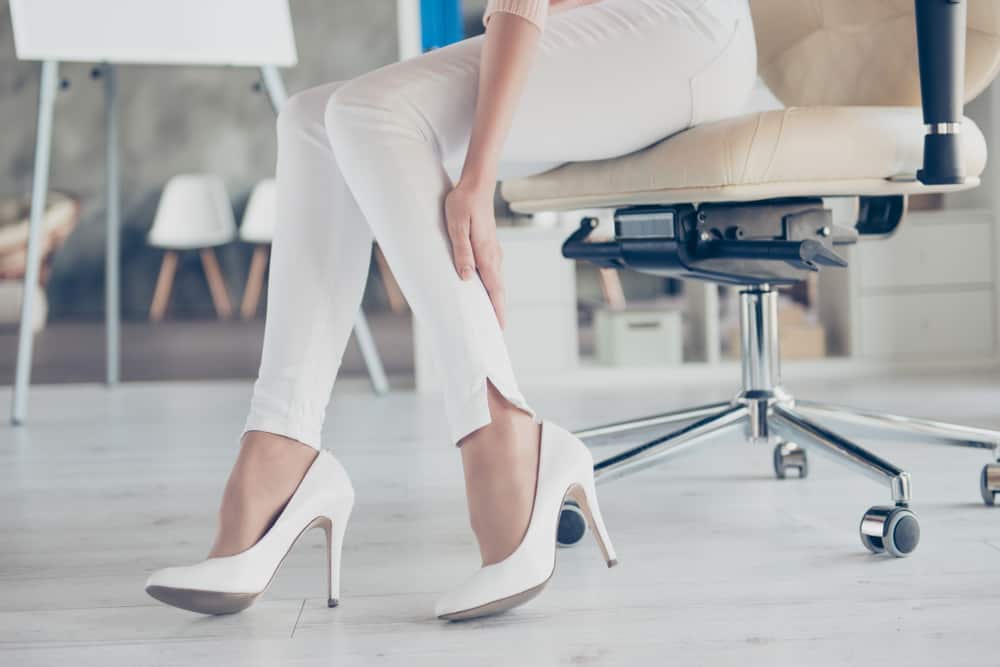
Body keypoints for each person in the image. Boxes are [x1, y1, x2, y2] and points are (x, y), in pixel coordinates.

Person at [145, 0, 757, 620]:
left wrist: (478, 181)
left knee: (366, 112)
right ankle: (282, 443)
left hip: (686, 31)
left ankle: (503, 430)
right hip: (596, 29)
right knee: (311, 119)